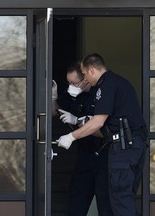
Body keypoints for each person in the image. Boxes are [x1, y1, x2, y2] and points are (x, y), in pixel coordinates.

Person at [57, 53, 148, 216]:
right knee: (123, 199)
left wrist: (71, 136)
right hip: (130, 145)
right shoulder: (117, 82)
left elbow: (98, 121)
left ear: (91, 70)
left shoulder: (106, 85)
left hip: (124, 147)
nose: (85, 78)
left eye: (84, 74)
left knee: (119, 200)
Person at [52, 62, 113, 216]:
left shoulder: (99, 95)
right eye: (69, 83)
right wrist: (53, 97)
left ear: (86, 79)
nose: (71, 86)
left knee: (105, 201)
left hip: (103, 154)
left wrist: (77, 121)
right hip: (84, 154)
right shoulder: (72, 95)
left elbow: (101, 130)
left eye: (74, 83)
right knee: (77, 198)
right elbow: (54, 112)